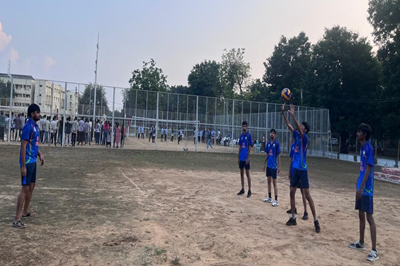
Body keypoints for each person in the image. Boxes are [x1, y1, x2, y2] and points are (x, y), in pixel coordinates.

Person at [282, 103, 320, 233]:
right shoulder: (297, 137)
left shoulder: (305, 138)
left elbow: (296, 125)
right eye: (301, 125)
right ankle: (293, 218)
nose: (301, 126)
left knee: (307, 195)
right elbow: (289, 126)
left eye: (303, 126)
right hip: (295, 170)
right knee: (292, 192)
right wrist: (284, 114)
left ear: (305, 130)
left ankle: (315, 220)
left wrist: (293, 115)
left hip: (303, 170)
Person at [348, 123, 379, 262]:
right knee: (360, 214)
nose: (357, 133)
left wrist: (361, 188)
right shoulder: (362, 148)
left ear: (364, 134)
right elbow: (362, 170)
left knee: (369, 217)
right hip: (360, 187)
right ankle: (361, 242)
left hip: (366, 190)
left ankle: (374, 251)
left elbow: (368, 169)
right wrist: (357, 183)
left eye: (359, 132)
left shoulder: (369, 148)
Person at [12, 104, 45, 229]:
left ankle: (25, 211)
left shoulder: (35, 126)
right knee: (24, 189)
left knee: (31, 186)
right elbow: (24, 146)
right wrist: (23, 166)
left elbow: (34, 145)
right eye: (38, 112)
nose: (39, 114)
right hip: (27, 162)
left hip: (33, 161)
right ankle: (17, 219)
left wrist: (40, 155)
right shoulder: (28, 126)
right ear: (32, 114)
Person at [286, 141, 309, 220]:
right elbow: (292, 158)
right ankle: (293, 208)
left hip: (300, 170)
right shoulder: (293, 144)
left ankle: (305, 211)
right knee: (292, 191)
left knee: (303, 191)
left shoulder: (302, 143)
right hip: (294, 171)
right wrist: (289, 171)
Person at [263, 129, 281, 207]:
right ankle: (269, 197)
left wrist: (279, 166)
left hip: (274, 166)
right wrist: (264, 163)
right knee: (268, 181)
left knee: (274, 183)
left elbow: (279, 155)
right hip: (269, 166)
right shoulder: (268, 143)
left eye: (273, 133)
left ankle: (276, 200)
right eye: (271, 133)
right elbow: (267, 154)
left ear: (275, 135)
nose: (272, 134)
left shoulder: (276, 144)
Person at [237, 121, 252, 198]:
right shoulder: (241, 136)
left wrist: (247, 158)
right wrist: (238, 157)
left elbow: (249, 147)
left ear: (247, 127)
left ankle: (249, 190)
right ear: (241, 127)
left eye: (245, 126)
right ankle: (242, 188)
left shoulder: (248, 136)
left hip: (246, 158)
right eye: (243, 126)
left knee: (247, 174)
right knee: (241, 173)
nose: (244, 127)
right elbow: (240, 147)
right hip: (241, 158)